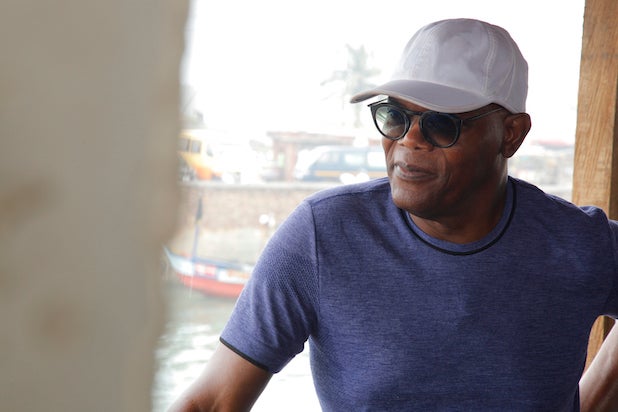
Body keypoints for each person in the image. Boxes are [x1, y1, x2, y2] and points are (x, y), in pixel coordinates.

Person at [169, 18, 618, 411]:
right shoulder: (322, 238)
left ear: (511, 135)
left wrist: (592, 398)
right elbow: (211, 403)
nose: (409, 139)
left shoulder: (580, 245)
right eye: (394, 115)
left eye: (441, 123)